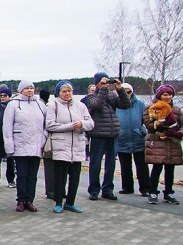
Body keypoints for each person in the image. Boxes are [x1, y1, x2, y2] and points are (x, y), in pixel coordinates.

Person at [46, 81, 94, 213]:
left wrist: (81, 124)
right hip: (61, 144)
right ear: (58, 93)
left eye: (69, 91)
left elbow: (90, 123)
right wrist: (70, 126)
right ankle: (58, 202)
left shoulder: (80, 106)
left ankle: (70, 202)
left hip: (77, 145)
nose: (67, 94)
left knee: (75, 176)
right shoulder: (53, 105)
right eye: (64, 91)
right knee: (60, 176)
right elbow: (50, 125)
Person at [2, 80, 47, 212]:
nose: (29, 90)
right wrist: (9, 145)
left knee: (32, 175)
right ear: (21, 90)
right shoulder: (13, 105)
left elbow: (46, 125)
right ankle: (21, 200)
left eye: (31, 88)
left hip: (36, 145)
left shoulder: (40, 104)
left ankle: (29, 200)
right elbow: (7, 126)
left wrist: (43, 139)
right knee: (22, 174)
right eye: (26, 88)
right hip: (20, 144)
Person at [85, 72, 130, 201]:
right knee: (95, 163)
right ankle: (94, 190)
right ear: (98, 83)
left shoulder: (111, 95)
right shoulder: (91, 96)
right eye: (102, 82)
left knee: (110, 164)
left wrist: (120, 89)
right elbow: (97, 105)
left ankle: (108, 189)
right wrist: (103, 89)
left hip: (112, 134)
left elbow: (125, 105)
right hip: (98, 134)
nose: (106, 85)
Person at [143, 84, 181, 205]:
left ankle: (168, 193)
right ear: (159, 95)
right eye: (165, 94)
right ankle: (153, 192)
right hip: (157, 143)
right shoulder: (152, 108)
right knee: (157, 167)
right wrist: (159, 127)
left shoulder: (176, 110)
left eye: (170, 94)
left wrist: (177, 133)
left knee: (170, 169)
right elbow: (148, 125)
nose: (168, 97)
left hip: (172, 143)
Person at [115, 83, 150, 196]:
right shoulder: (116, 104)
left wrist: (142, 131)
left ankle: (145, 188)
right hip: (122, 138)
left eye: (128, 92)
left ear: (132, 92)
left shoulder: (140, 105)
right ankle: (127, 187)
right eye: (123, 92)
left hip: (138, 138)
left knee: (141, 165)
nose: (126, 94)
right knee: (125, 165)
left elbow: (147, 120)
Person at [0, 83, 15, 188]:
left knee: (10, 159)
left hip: (9, 136)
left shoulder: (12, 106)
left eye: (5, 95)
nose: (3, 97)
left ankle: (11, 180)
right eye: (1, 95)